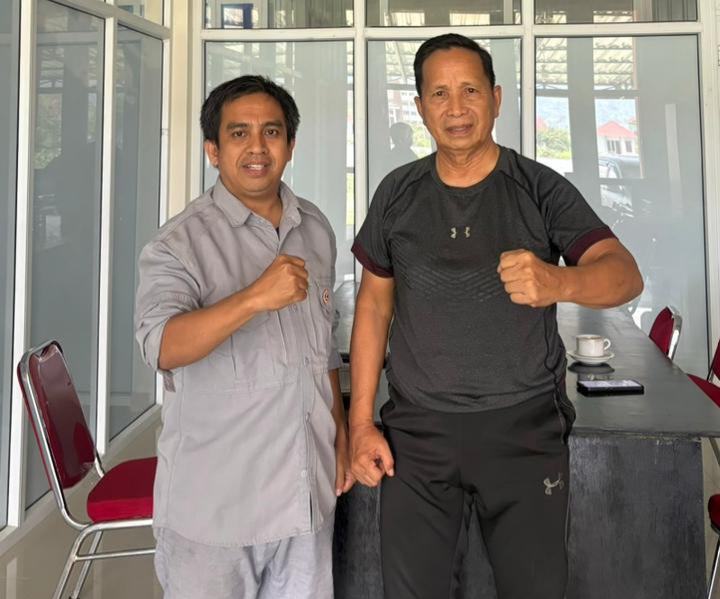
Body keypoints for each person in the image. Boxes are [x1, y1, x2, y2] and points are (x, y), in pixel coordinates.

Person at [348, 33, 643, 599]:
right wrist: (361, 424)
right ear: (420, 108)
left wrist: (558, 281)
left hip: (523, 428)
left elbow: (624, 274)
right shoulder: (397, 192)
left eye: (470, 90)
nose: (456, 108)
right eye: (439, 94)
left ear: (497, 98)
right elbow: (374, 304)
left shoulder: (538, 187)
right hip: (417, 433)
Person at [134, 75, 353, 599]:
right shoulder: (179, 243)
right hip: (216, 510)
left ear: (291, 145)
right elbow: (161, 345)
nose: (257, 147)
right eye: (239, 133)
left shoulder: (315, 228)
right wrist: (253, 297)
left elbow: (322, 350)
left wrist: (341, 436)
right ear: (213, 150)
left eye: (271, 132)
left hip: (304, 499)